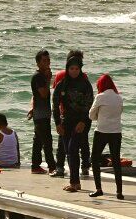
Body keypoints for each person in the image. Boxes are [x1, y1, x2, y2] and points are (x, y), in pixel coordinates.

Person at [54, 53, 94, 192]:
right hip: (67, 121)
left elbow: (90, 105)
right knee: (69, 152)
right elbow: (55, 104)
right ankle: (75, 183)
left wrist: (83, 121)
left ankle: (75, 182)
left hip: (82, 122)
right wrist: (57, 123)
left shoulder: (85, 84)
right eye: (71, 69)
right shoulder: (62, 84)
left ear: (80, 69)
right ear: (67, 69)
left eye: (77, 69)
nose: (74, 71)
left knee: (73, 148)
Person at [89, 73, 124, 199]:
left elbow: (91, 115)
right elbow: (120, 112)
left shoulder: (100, 97)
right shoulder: (119, 98)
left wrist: (100, 116)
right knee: (116, 161)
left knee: (94, 159)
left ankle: (99, 189)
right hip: (116, 132)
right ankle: (119, 192)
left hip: (102, 131)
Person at [28, 50, 57, 174]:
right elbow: (44, 94)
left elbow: (34, 96)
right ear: (38, 63)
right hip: (41, 114)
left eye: (48, 60)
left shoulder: (41, 76)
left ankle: (35, 166)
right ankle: (52, 166)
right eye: (44, 60)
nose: (47, 63)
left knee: (38, 140)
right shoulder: (39, 77)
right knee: (47, 141)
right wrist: (48, 78)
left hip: (41, 112)